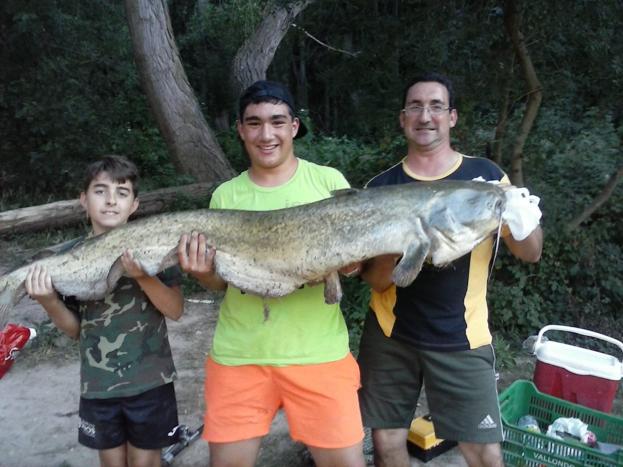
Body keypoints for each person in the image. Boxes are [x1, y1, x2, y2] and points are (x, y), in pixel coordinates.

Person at [357, 72, 543, 467]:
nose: (426, 116)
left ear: (452, 117)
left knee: (484, 451)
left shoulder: (487, 179)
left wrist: (523, 221)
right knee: (388, 438)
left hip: (462, 334)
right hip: (391, 334)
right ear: (403, 118)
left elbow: (531, 253)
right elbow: (373, 281)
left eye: (436, 106)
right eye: (416, 107)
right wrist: (399, 244)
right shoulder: (380, 187)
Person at [177, 80, 366, 467]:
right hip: (240, 355)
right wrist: (200, 273)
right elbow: (220, 282)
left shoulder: (329, 182)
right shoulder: (225, 197)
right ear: (241, 130)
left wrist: (349, 262)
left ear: (294, 126)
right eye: (255, 123)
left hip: (319, 354)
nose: (267, 134)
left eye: (277, 122)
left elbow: (355, 264)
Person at [25, 155, 184, 467]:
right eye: (100, 191)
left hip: (151, 383)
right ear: (84, 200)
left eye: (122, 193)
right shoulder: (68, 257)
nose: (111, 201)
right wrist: (49, 301)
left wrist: (142, 275)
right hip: (98, 387)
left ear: (134, 205)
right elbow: (74, 330)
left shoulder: (157, 247)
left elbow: (175, 309)